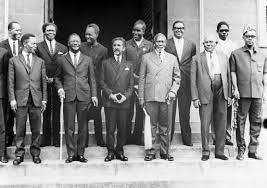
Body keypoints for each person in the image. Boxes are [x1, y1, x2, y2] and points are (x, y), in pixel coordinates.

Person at [55, 33, 97, 163]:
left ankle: (81, 153)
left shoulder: (87, 59)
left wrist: (94, 95)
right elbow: (57, 77)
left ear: (80, 43)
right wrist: (60, 88)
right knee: (69, 127)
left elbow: (92, 79)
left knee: (83, 127)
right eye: (72, 41)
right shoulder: (62, 59)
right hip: (69, 96)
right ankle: (71, 154)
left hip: (84, 95)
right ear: (68, 43)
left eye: (77, 41)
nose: (75, 43)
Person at [139, 33, 180, 161]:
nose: (160, 44)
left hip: (166, 97)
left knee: (165, 126)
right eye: (158, 42)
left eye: (162, 42)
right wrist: (141, 97)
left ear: (165, 44)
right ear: (154, 43)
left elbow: (177, 77)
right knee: (151, 126)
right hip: (150, 96)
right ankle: (150, 152)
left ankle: (165, 151)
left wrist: (173, 91)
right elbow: (142, 78)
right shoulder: (146, 57)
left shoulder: (172, 58)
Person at [191, 34, 231, 161]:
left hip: (221, 90)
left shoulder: (224, 57)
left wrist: (229, 95)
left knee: (221, 121)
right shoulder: (196, 58)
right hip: (205, 92)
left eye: (211, 42)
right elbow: (192, 80)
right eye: (206, 42)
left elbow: (228, 77)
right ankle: (206, 151)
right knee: (205, 122)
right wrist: (195, 98)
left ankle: (219, 151)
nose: (208, 44)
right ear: (203, 44)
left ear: (216, 43)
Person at [8, 33, 47, 165]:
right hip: (20, 99)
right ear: (25, 44)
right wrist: (12, 99)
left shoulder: (40, 61)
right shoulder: (14, 60)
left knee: (36, 129)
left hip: (36, 99)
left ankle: (35, 153)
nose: (35, 46)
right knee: (20, 128)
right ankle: (19, 155)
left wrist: (44, 100)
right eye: (33, 43)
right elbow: (11, 82)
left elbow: (43, 83)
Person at [230, 25, 267, 160]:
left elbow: (264, 74)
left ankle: (253, 151)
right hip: (243, 93)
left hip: (257, 94)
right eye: (248, 36)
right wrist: (235, 89)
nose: (250, 39)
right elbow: (233, 72)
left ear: (255, 38)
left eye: (252, 36)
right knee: (240, 122)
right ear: (243, 37)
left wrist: (264, 92)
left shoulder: (262, 55)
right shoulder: (236, 54)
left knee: (256, 122)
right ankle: (241, 150)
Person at [100, 37, 134, 162]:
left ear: (124, 48)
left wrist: (125, 96)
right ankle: (110, 151)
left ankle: (119, 151)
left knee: (123, 128)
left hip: (124, 101)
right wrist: (110, 95)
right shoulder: (106, 63)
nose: (116, 47)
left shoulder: (129, 64)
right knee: (110, 128)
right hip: (110, 101)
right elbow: (102, 82)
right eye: (114, 45)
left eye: (119, 45)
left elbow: (131, 85)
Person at [36, 22, 68, 147]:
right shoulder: (38, 47)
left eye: (53, 31)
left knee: (57, 110)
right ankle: (46, 138)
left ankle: (56, 138)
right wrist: (44, 78)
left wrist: (56, 80)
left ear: (56, 32)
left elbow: (65, 66)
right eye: (48, 30)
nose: (51, 33)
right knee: (45, 110)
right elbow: (36, 64)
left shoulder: (63, 48)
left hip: (58, 83)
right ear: (44, 32)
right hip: (43, 82)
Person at [165, 20, 196, 146]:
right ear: (173, 29)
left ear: (184, 29)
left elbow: (192, 63)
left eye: (181, 28)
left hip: (186, 82)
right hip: (171, 82)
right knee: (170, 112)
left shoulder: (191, 44)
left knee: (185, 112)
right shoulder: (167, 43)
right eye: (176, 28)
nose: (179, 30)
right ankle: (169, 139)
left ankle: (187, 139)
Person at [125, 20, 153, 145]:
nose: (135, 32)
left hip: (143, 83)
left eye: (138, 30)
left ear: (144, 31)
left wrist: (142, 78)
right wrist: (133, 76)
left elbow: (151, 64)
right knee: (127, 110)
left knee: (141, 111)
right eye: (134, 30)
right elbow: (123, 63)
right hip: (128, 83)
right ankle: (126, 137)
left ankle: (137, 137)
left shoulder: (150, 45)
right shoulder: (126, 44)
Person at [80, 23, 108, 147]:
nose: (87, 36)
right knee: (83, 113)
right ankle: (84, 140)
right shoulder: (80, 47)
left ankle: (99, 139)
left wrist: (101, 87)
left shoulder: (103, 50)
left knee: (97, 114)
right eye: (86, 34)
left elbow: (103, 70)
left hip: (96, 86)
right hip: (83, 86)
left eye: (90, 34)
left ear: (96, 34)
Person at [212, 21, 238, 146]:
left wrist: (234, 85)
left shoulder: (233, 45)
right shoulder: (213, 44)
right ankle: (215, 136)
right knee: (215, 108)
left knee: (228, 109)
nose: (224, 32)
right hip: (216, 80)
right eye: (222, 30)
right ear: (217, 31)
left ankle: (227, 136)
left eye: (226, 30)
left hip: (228, 80)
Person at [0, 21, 23, 147]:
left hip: (20, 85)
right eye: (16, 30)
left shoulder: (23, 45)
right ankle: (7, 139)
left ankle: (17, 138)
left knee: (18, 113)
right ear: (9, 31)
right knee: (6, 113)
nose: (19, 32)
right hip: (5, 85)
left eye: (20, 30)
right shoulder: (2, 45)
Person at [0, 47, 9, 163]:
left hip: (0, 93)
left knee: (1, 125)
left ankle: (2, 153)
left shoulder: (3, 52)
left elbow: (7, 75)